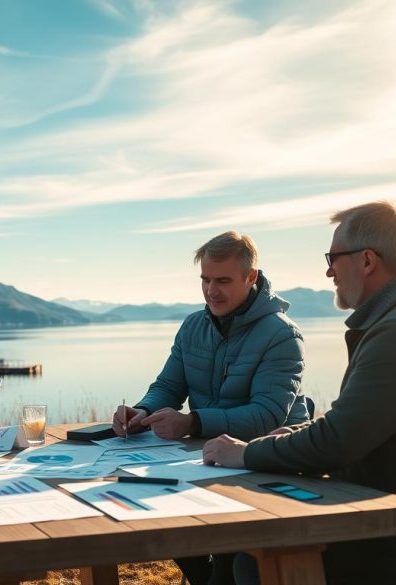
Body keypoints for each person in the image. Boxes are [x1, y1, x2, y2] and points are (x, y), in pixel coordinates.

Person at [202, 201, 396, 585]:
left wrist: (244, 452)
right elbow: (355, 424)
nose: (328, 271)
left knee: (254, 565)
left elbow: (337, 442)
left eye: (333, 258)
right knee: (245, 559)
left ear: (367, 260)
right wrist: (295, 436)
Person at [112, 231, 309, 585]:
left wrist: (192, 422)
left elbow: (266, 416)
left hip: (266, 465)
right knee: (161, 513)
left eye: (222, 280)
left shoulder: (282, 335)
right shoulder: (193, 326)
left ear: (251, 277)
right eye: (205, 279)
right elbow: (169, 386)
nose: (210, 290)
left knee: (230, 564)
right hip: (206, 460)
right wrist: (142, 412)